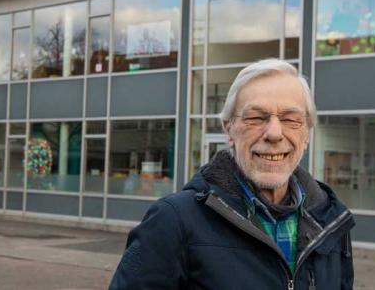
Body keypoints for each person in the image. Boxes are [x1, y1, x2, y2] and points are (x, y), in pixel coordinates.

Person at [109, 59, 355, 290]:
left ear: (307, 135)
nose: (274, 133)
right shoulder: (172, 221)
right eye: (256, 117)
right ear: (229, 130)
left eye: (291, 119)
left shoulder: (331, 222)